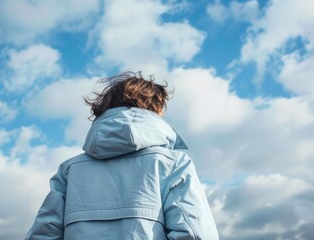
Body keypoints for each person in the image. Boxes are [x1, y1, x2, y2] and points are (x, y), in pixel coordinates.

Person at [25, 72, 219, 240]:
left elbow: (43, 234)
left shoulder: (70, 169)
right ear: (156, 109)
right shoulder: (173, 163)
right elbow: (195, 234)